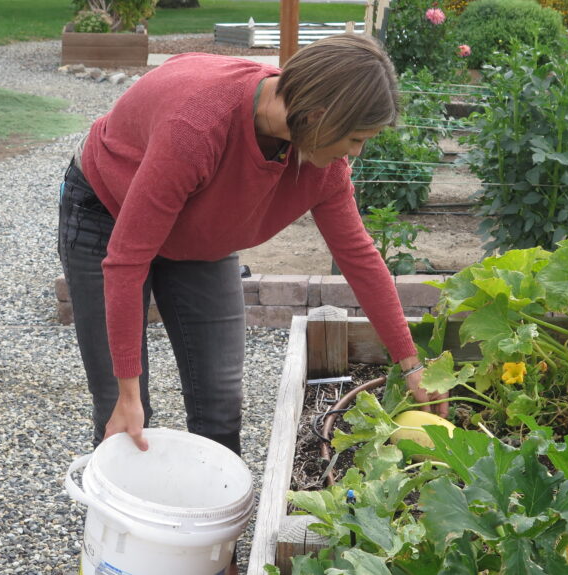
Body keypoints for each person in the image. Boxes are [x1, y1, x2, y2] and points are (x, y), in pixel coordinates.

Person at [58, 34, 447, 468]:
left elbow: (359, 256)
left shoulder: (322, 163)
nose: (356, 153)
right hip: (108, 212)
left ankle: (215, 512)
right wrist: (128, 395)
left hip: (200, 235)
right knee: (126, 413)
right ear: (318, 116)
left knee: (220, 408)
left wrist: (411, 363)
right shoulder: (196, 126)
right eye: (356, 138)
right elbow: (127, 259)